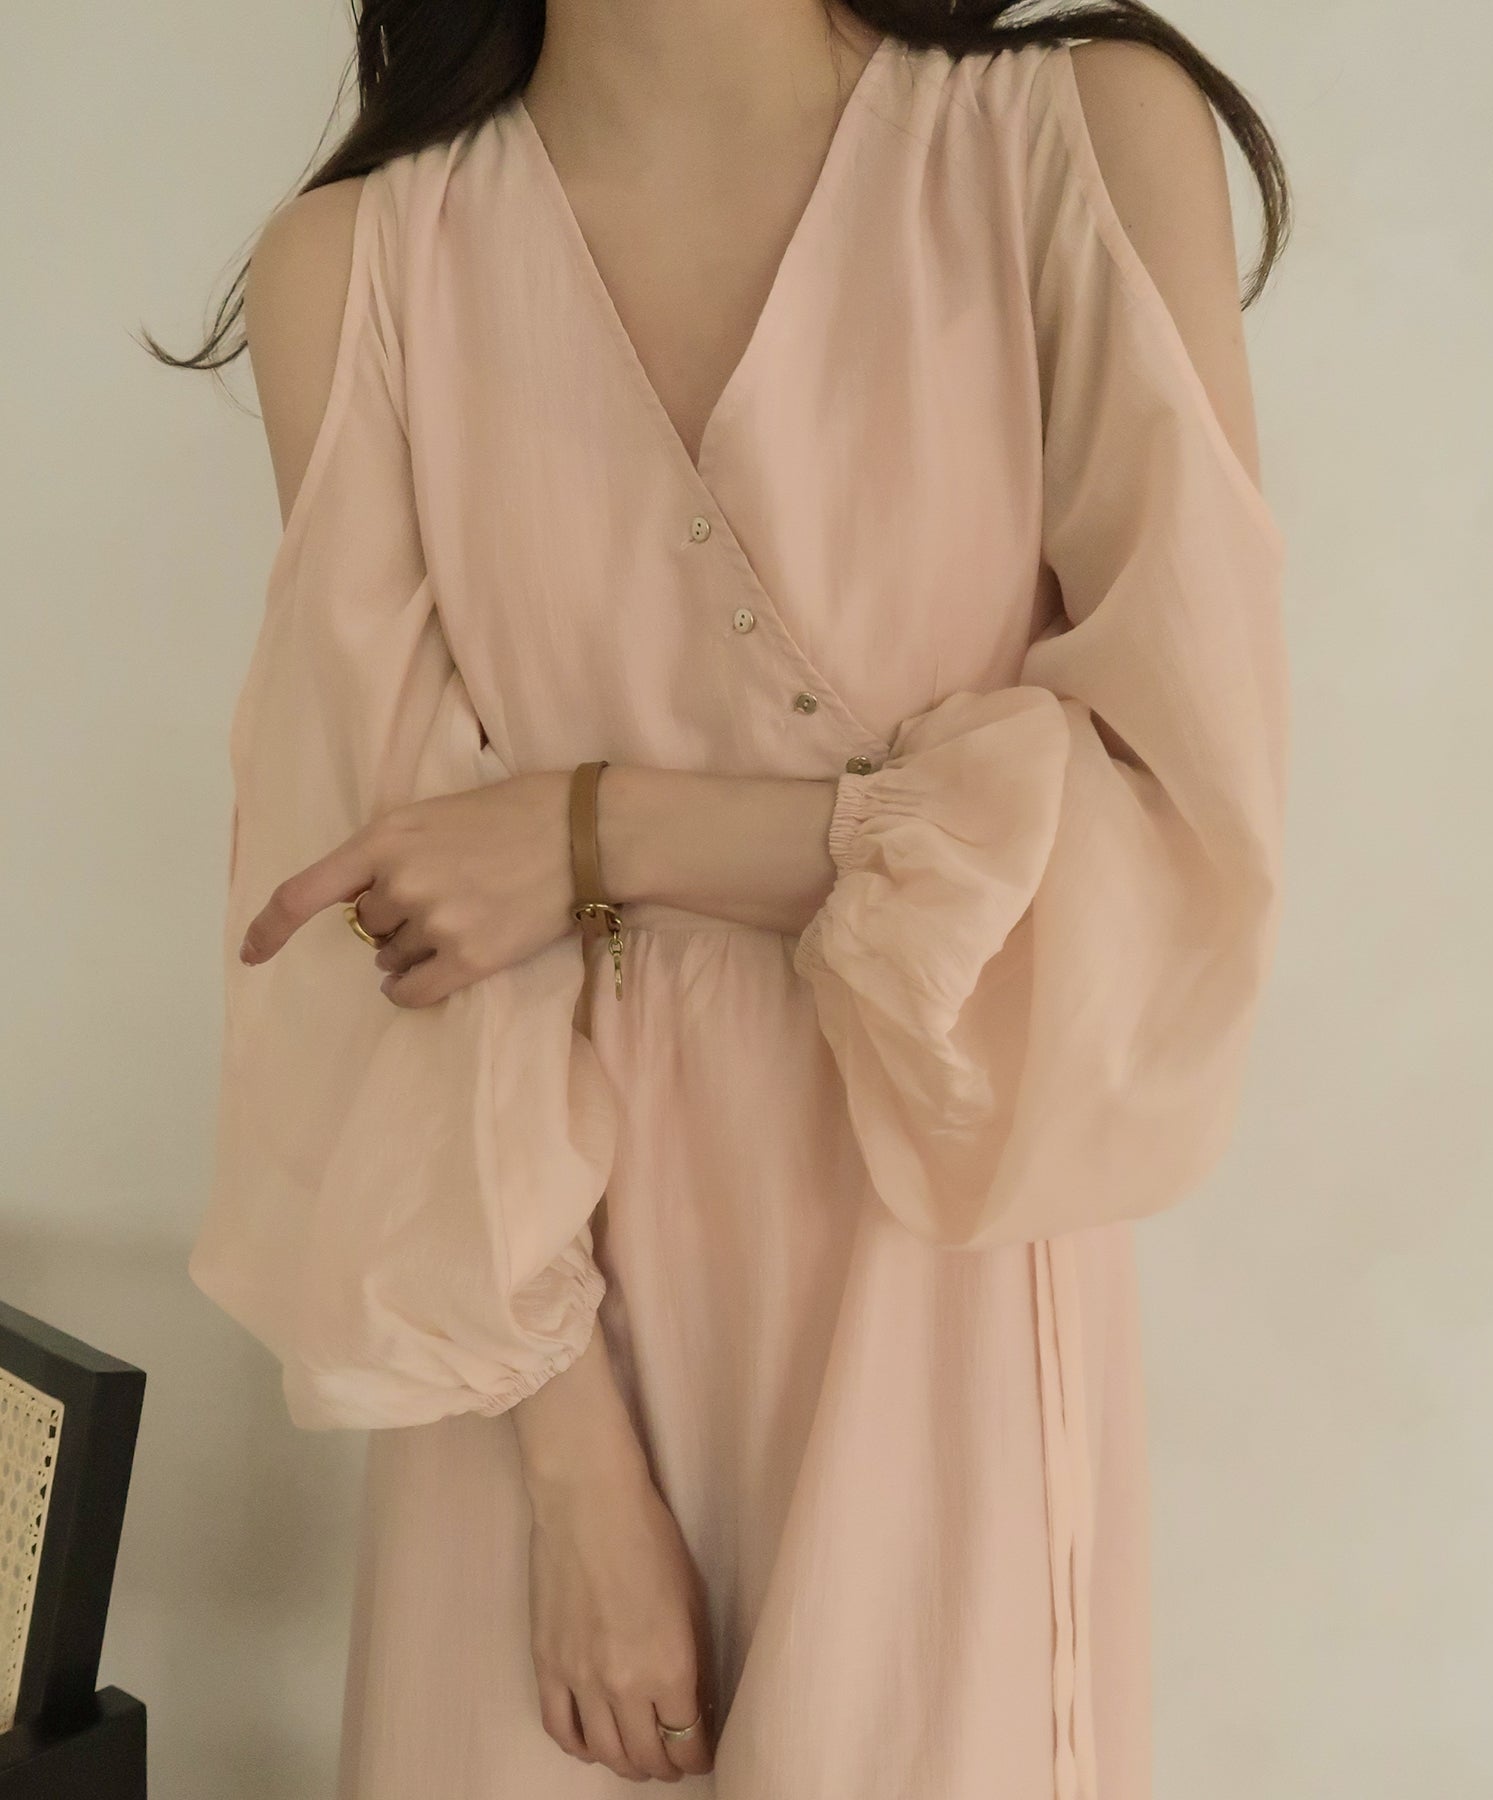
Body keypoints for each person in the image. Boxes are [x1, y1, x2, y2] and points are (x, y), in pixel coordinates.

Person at [166, 0, 1292, 1792]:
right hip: (519, 1329)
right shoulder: (357, 266)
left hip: (934, 1275)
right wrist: (571, 1473)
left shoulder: (1072, 144)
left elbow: (1176, 824)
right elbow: (378, 922)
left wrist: (599, 833)